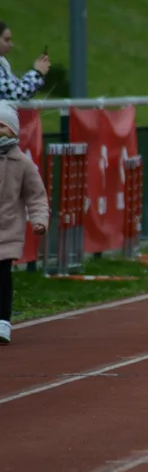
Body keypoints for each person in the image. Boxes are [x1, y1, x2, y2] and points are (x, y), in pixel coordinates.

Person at [0, 101, 49, 345]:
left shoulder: (22, 163)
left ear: (14, 131)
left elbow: (36, 196)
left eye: (3, 127)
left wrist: (39, 220)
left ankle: (2, 323)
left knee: (2, 274)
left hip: (7, 230)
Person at [0, 21, 49, 101]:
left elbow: (17, 89)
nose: (11, 45)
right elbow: (16, 94)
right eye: (6, 40)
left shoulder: (3, 63)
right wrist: (37, 73)